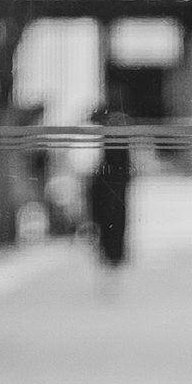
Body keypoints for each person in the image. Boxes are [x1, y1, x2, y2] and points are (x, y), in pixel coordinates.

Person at [86, 113, 135, 275]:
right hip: (111, 184)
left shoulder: (115, 145)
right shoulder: (115, 144)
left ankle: (113, 256)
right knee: (111, 221)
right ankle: (112, 256)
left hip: (112, 184)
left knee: (112, 221)